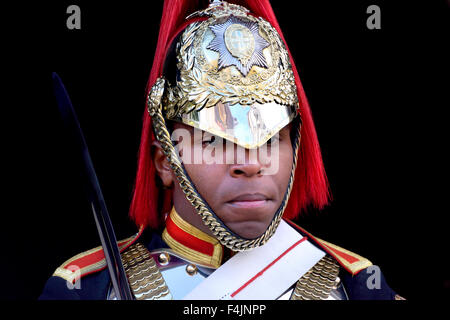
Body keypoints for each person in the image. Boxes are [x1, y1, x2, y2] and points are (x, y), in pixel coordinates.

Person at [40, 0, 403, 300]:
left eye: (272, 137)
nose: (251, 162)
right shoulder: (84, 290)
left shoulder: (358, 288)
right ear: (165, 160)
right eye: (216, 139)